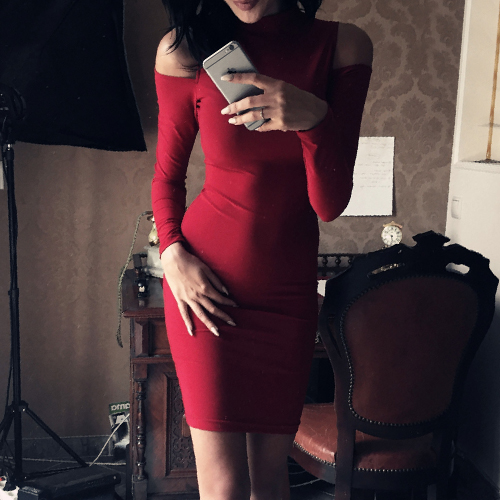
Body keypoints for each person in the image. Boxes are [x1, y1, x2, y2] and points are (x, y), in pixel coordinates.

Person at [151, 0, 373, 498]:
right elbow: (167, 176)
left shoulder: (343, 46)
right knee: (224, 486)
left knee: (271, 482)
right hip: (204, 288)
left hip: (286, 295)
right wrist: (172, 254)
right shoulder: (184, 50)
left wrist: (314, 120)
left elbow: (329, 205)